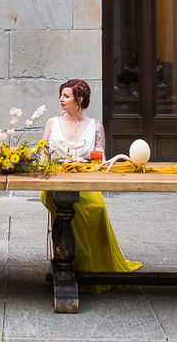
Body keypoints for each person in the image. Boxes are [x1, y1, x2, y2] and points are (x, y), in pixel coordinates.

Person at [40, 78, 141, 292]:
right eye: (61, 95)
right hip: (56, 179)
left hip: (85, 178)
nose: (61, 99)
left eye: (66, 96)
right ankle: (71, 263)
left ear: (80, 100)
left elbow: (100, 157)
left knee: (97, 208)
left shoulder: (95, 126)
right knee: (65, 205)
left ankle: (90, 264)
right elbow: (42, 155)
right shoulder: (52, 123)